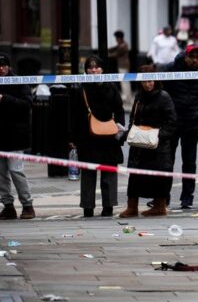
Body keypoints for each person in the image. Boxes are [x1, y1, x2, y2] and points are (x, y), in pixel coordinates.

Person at [157, 43, 198, 210]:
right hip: (172, 123)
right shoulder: (171, 69)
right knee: (167, 161)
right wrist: (166, 113)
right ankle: (163, 197)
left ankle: (187, 198)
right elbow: (161, 90)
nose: (195, 61)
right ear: (185, 57)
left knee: (189, 162)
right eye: (192, 57)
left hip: (192, 122)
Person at [69, 56, 126, 217]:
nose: (94, 70)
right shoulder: (81, 89)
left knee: (109, 172)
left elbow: (119, 109)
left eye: (97, 67)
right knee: (88, 173)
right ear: (86, 71)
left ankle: (108, 206)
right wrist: (73, 138)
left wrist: (120, 130)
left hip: (109, 136)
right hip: (87, 137)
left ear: (102, 69)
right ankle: (88, 207)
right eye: (90, 68)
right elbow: (73, 115)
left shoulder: (111, 87)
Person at [120, 64, 178, 218]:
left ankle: (159, 207)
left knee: (158, 177)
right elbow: (133, 117)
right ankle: (132, 207)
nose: (148, 84)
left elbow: (172, 122)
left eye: (150, 80)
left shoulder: (164, 97)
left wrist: (158, 136)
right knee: (135, 177)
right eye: (144, 81)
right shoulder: (139, 96)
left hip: (157, 146)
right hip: (139, 144)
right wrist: (131, 131)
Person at [0, 54, 36, 220]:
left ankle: (27, 205)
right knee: (1, 174)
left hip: (15, 134)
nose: (1, 68)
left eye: (4, 65)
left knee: (15, 170)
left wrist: (4, 99)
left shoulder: (18, 81)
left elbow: (27, 104)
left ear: (9, 66)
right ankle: (8, 206)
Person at [109, 30, 132, 102]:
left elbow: (115, 54)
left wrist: (107, 54)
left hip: (123, 65)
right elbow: (114, 48)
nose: (116, 40)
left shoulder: (123, 45)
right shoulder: (123, 44)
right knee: (126, 81)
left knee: (124, 82)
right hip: (124, 65)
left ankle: (126, 97)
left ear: (119, 38)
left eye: (116, 38)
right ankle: (127, 97)